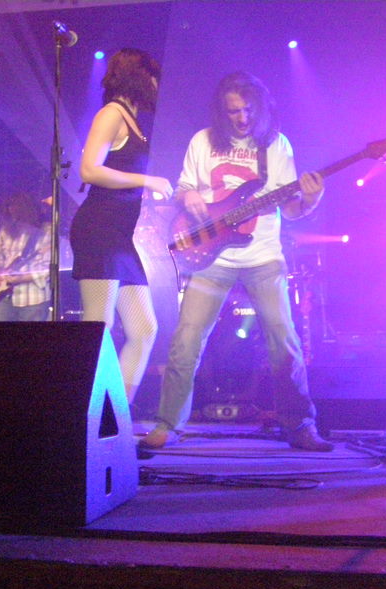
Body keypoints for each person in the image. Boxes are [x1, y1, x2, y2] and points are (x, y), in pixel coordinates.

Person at [141, 71, 333, 452]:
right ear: (221, 111)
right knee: (186, 338)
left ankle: (300, 424)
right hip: (211, 257)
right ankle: (168, 423)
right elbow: (183, 188)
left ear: (259, 107)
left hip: (264, 257)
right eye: (233, 111)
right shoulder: (202, 141)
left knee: (284, 340)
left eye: (248, 110)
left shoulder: (276, 145)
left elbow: (290, 209)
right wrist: (189, 196)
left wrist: (310, 200)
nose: (242, 118)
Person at [69, 48, 173, 405]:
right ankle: (83, 415)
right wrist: (146, 180)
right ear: (138, 77)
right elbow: (89, 170)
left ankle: (116, 417)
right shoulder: (112, 114)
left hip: (119, 236)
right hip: (99, 229)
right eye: (152, 77)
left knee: (144, 329)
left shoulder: (133, 120)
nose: (157, 85)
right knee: (99, 325)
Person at [0, 193, 51, 322]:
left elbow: (47, 268)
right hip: (3, 297)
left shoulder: (46, 231)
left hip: (33, 298)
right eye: (9, 208)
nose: (12, 212)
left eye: (16, 209)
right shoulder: (6, 230)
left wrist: (21, 278)